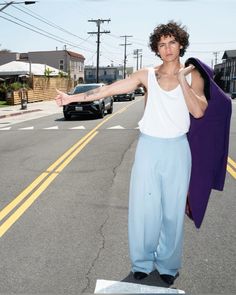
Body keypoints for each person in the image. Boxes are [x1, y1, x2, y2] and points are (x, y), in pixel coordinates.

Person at [55, 21, 208, 285]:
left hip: (177, 150)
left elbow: (198, 111)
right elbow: (107, 90)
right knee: (144, 209)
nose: (167, 48)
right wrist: (72, 99)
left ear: (181, 43)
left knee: (172, 211)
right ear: (156, 49)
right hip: (149, 147)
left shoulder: (194, 76)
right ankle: (142, 262)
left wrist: (182, 80)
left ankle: (168, 264)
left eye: (172, 42)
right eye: (162, 44)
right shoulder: (146, 75)